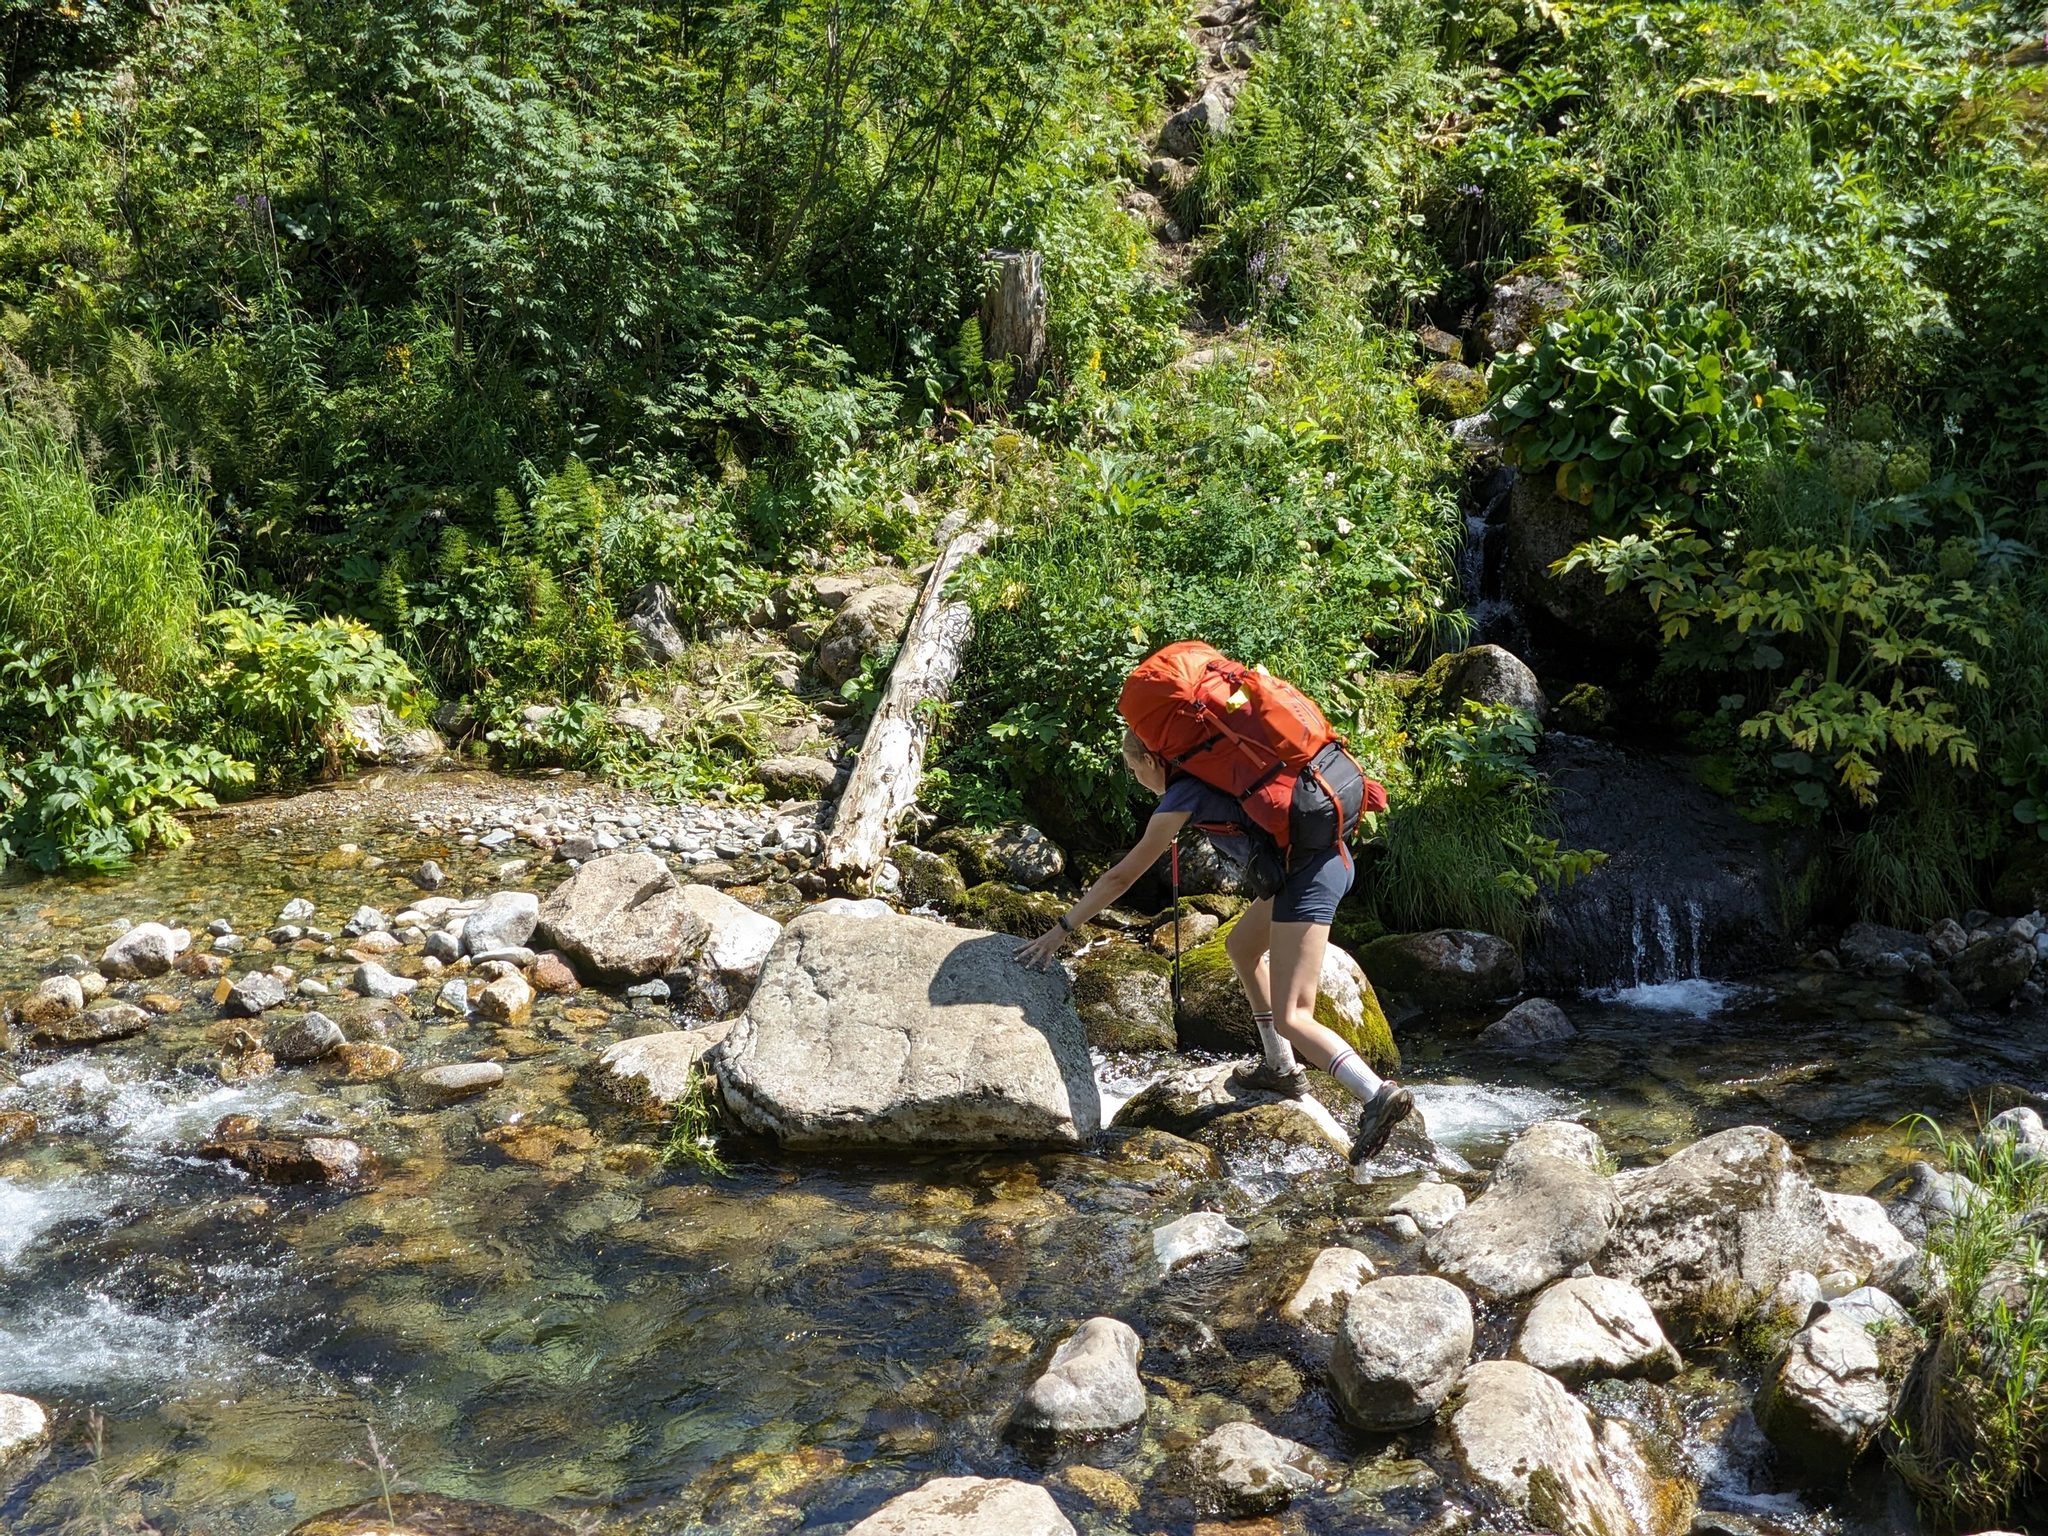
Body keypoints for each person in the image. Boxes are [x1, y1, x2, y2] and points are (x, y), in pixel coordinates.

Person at [1014, 727, 1415, 1164]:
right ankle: (1280, 1069)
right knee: (1242, 947)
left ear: (1151, 760)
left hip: (1309, 878)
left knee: (1293, 1015)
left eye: (1134, 769)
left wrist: (1063, 927)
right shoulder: (1211, 775)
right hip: (1307, 869)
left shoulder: (1184, 794)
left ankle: (1376, 1093)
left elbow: (1121, 877)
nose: (1136, 778)